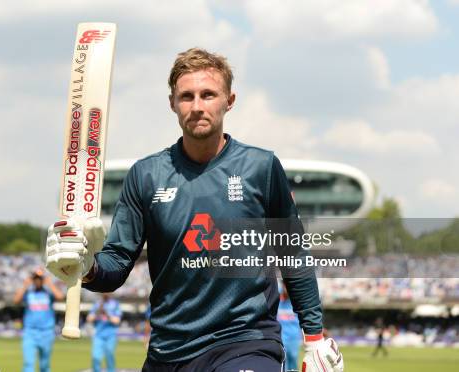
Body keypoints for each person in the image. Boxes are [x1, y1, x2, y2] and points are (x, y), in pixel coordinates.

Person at [46, 48, 344, 372]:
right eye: (187, 96)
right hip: (168, 352)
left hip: (245, 342)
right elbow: (116, 262)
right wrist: (86, 266)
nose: (197, 106)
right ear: (172, 103)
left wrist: (314, 336)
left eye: (208, 94)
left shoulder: (261, 167)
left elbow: (293, 254)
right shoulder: (146, 175)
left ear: (229, 100)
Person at [13, 268, 64, 372]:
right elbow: (16, 300)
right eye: (35, 278)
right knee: (28, 364)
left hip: (46, 332)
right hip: (30, 332)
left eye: (40, 278)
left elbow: (60, 297)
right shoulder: (28, 293)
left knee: (44, 365)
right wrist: (25, 286)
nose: (37, 281)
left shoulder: (48, 293)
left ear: (43, 279)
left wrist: (49, 284)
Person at [86, 293, 122, 372]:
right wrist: (97, 311)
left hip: (111, 335)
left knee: (110, 356)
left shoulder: (115, 304)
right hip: (98, 335)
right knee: (96, 357)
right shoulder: (97, 304)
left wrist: (107, 314)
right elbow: (89, 319)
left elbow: (117, 321)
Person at [277, 282, 302, 371]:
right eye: (285, 285)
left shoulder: (296, 299)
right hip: (281, 339)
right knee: (283, 365)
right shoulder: (276, 298)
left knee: (294, 365)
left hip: (294, 339)